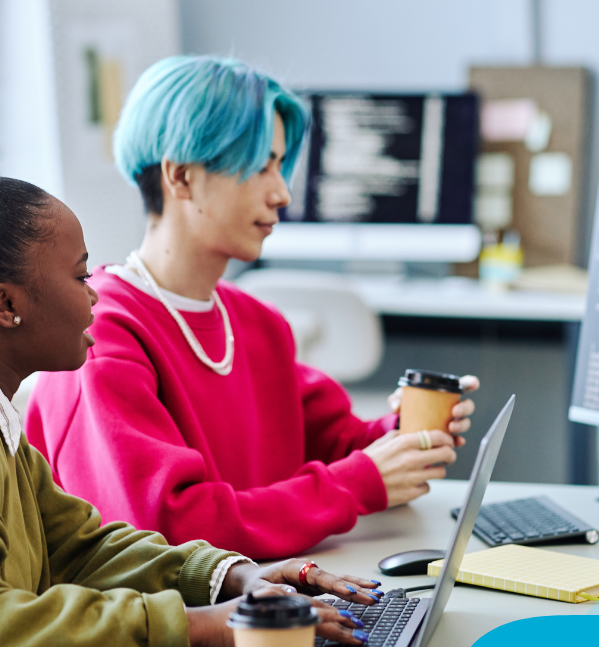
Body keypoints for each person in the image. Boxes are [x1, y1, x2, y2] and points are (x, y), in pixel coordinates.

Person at [0, 95, 378, 647]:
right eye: (79, 276)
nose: (94, 295)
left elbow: (75, 544)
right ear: (5, 306)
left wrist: (230, 578)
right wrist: (199, 626)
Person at [26, 56, 480, 561]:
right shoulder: (101, 334)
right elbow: (170, 532)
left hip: (264, 600)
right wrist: (359, 483)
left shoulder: (256, 323)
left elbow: (337, 443)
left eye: (280, 167)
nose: (282, 192)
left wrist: (405, 435)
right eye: (261, 166)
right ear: (181, 177)